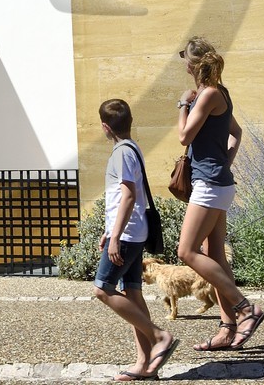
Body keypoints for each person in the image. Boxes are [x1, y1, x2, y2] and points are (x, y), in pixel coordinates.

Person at [174, 38, 264, 351]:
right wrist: (225, 162)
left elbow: (184, 136)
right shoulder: (218, 93)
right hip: (216, 181)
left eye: (185, 59)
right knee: (214, 256)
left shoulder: (208, 94)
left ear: (193, 64)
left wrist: (183, 105)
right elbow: (235, 133)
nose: (183, 64)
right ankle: (227, 328)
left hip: (210, 185)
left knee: (186, 252)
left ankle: (245, 308)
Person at [93, 98, 179, 381]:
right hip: (131, 232)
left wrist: (115, 236)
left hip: (128, 235)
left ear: (105, 127)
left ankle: (159, 337)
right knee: (132, 293)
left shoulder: (121, 153)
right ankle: (143, 364)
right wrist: (110, 230)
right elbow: (124, 197)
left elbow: (129, 194)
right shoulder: (132, 149)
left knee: (103, 289)